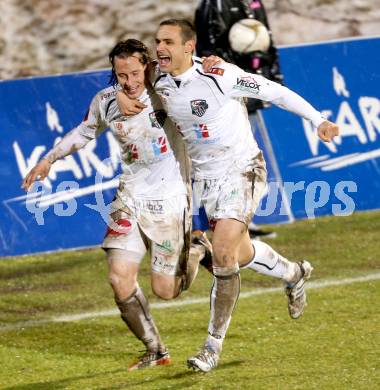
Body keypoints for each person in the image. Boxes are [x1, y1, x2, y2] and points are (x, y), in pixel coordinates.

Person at [117, 19, 339, 372]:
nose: (160, 48)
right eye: (158, 41)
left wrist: (317, 120)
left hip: (242, 169)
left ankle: (211, 347)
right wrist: (118, 92)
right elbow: (124, 79)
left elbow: (274, 91)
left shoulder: (220, 74)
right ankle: (295, 273)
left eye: (168, 42)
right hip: (204, 180)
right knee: (241, 252)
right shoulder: (157, 77)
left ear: (189, 47)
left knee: (222, 254)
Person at [21, 39, 208, 371]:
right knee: (118, 277)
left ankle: (198, 249)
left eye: (135, 73)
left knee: (166, 290)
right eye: (121, 75)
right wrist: (48, 160)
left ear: (147, 66)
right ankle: (156, 349)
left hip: (170, 199)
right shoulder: (107, 101)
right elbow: (82, 132)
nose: (129, 82)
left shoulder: (168, 90)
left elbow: (191, 70)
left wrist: (211, 61)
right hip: (130, 197)